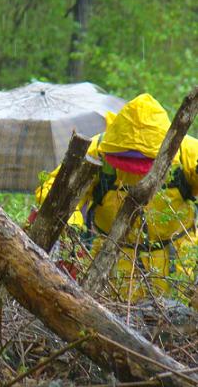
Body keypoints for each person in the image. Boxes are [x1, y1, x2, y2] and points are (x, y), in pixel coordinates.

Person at [36, 93, 198, 301]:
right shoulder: (97, 150)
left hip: (175, 264)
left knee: (178, 324)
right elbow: (54, 188)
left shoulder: (187, 152)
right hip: (111, 264)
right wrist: (72, 224)